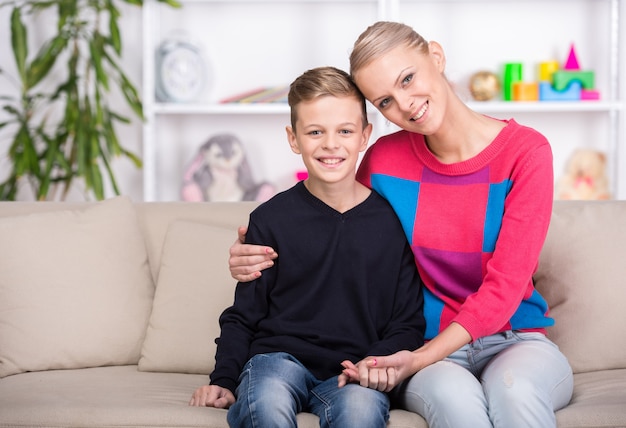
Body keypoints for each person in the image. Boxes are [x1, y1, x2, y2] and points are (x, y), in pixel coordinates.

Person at [227, 22, 574, 428]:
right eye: (386, 101)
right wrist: (251, 255)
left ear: (437, 57)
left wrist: (416, 359)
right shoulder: (384, 160)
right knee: (455, 402)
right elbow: (330, 225)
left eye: (408, 79)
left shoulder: (526, 152)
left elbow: (505, 286)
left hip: (514, 338)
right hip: (428, 346)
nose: (406, 105)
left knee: (514, 391)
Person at [189, 65, 425, 428]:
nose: (331, 144)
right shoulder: (270, 219)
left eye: (344, 131)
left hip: (356, 370)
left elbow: (406, 320)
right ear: (294, 138)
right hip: (276, 361)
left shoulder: (391, 222)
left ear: (365, 136)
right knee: (263, 402)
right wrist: (222, 380)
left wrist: (376, 363)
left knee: (362, 412)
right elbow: (243, 315)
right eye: (315, 132)